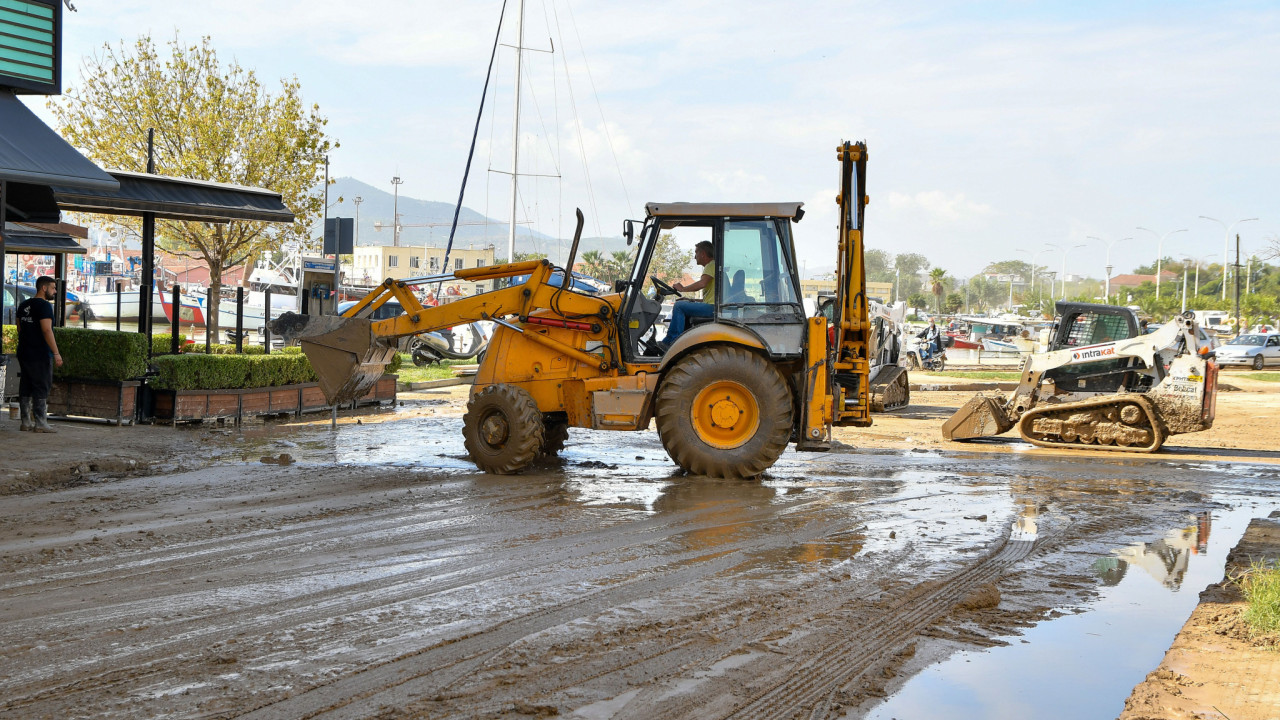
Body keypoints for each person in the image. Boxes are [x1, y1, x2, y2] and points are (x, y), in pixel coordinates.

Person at [16, 276, 62, 433]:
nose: (55, 291)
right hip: (40, 352)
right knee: (41, 385)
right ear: (44, 288)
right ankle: (41, 422)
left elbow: (19, 328)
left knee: (26, 384)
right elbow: (47, 329)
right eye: (53, 288)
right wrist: (56, 352)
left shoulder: (23, 305)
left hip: (24, 351)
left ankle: (25, 422)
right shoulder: (44, 306)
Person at [659, 241, 716, 350]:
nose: (695, 257)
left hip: (713, 308)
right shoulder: (713, 266)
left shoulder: (711, 265)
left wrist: (683, 289)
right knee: (683, 303)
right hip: (712, 306)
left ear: (703, 253)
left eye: (696, 253)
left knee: (679, 306)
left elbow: (702, 283)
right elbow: (708, 299)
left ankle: (672, 342)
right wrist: (691, 300)